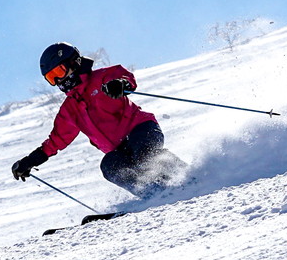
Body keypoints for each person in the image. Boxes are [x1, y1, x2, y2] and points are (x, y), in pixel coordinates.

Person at [11, 43, 175, 197]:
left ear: (74, 63)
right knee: (110, 166)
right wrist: (29, 161)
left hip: (142, 130)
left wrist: (120, 84)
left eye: (59, 72)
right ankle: (152, 195)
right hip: (119, 150)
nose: (58, 81)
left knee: (143, 155)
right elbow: (56, 141)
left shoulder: (101, 78)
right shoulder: (69, 110)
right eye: (51, 78)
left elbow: (125, 76)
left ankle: (181, 178)